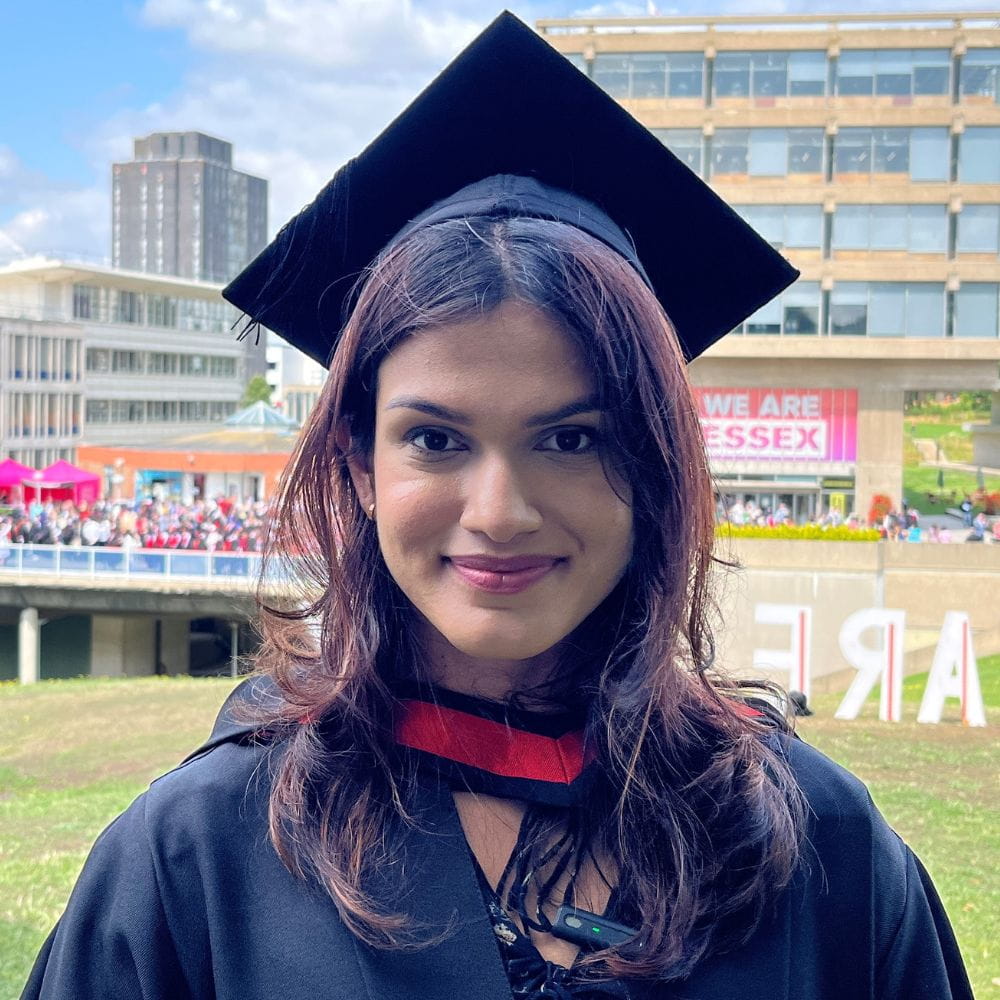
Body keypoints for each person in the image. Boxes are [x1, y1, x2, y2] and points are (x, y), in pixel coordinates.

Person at [23, 13, 972, 1000]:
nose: (500, 509)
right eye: (435, 438)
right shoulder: (199, 855)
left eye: (571, 437)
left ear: (650, 461)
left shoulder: (818, 846)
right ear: (357, 461)